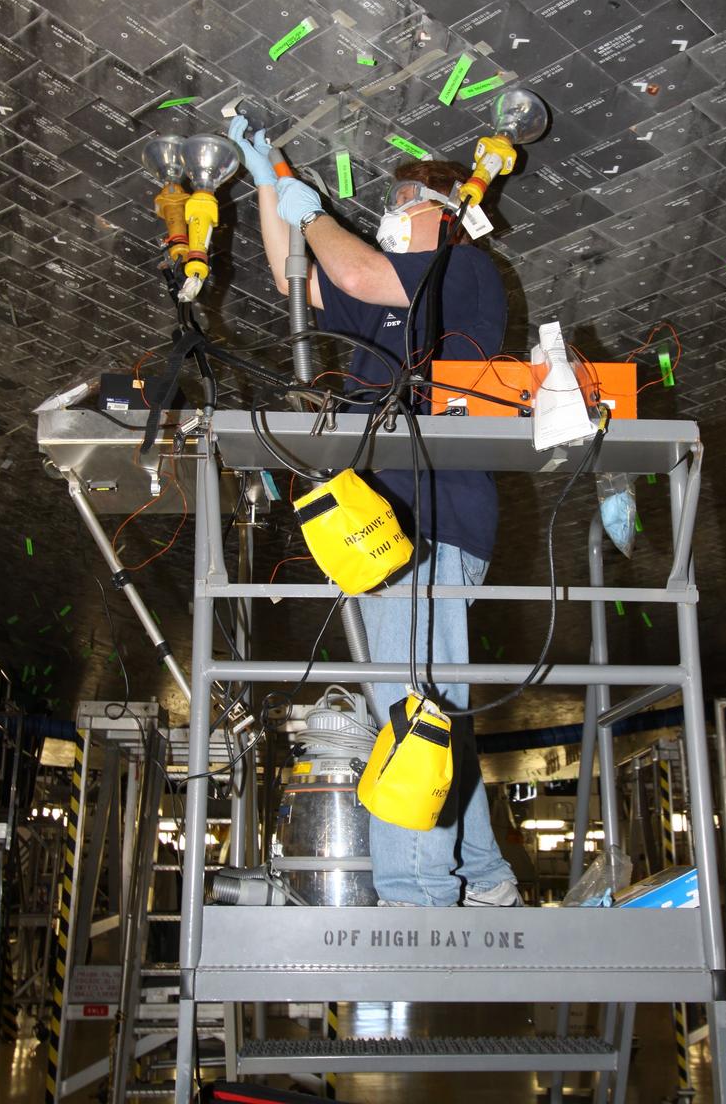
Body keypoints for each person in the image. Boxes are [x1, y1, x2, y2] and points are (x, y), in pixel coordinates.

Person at [228, 115, 520, 908]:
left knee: (411, 703)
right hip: (381, 525)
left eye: (402, 200)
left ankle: (417, 891)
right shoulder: (389, 302)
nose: (389, 211)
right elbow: (305, 275)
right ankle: (485, 879)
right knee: (428, 700)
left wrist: (309, 203)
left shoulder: (462, 273)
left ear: (446, 210)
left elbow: (352, 272)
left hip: (432, 520)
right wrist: (269, 185)